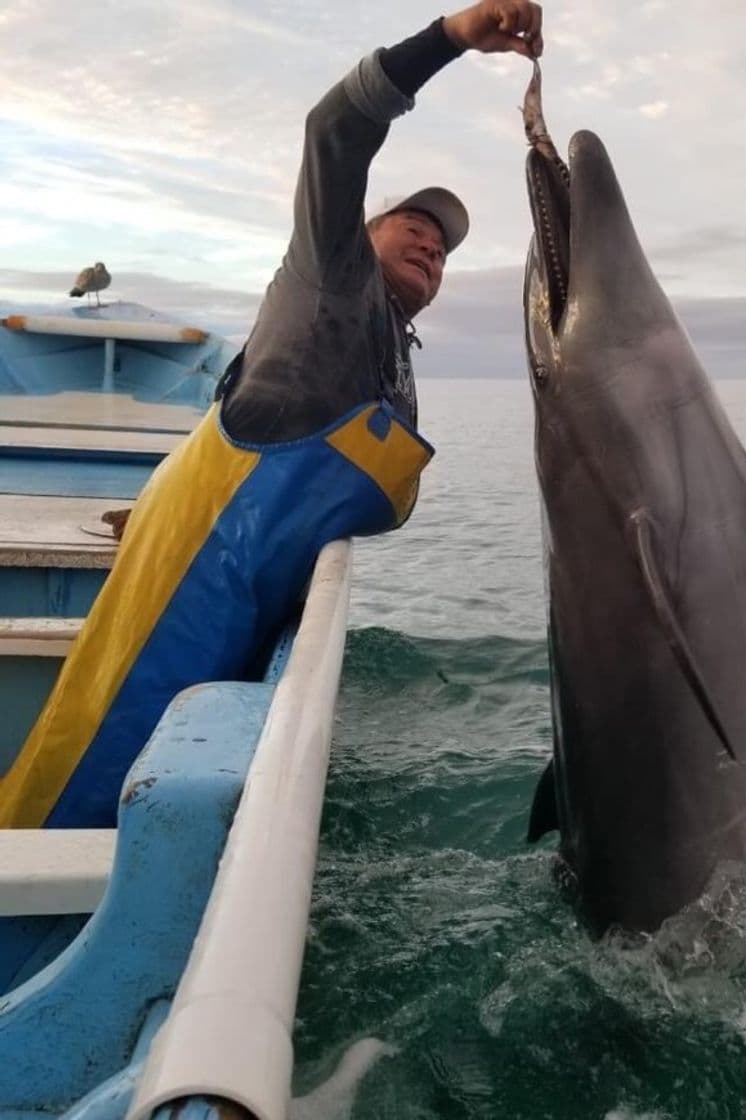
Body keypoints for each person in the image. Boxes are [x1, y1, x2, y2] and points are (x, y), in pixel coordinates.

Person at [0, 1, 544, 830]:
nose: (433, 244)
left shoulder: (393, 355)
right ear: (358, 231)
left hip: (257, 589)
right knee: (94, 756)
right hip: (199, 558)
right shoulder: (330, 270)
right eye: (415, 224)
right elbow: (334, 127)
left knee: (171, 773)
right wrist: (451, 40)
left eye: (444, 247)